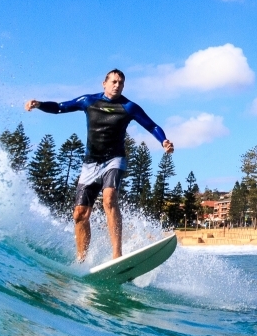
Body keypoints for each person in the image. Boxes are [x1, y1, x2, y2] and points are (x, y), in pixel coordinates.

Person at [25, 69, 173, 262]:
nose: (117, 85)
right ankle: (81, 260)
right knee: (80, 214)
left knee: (109, 197)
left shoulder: (129, 107)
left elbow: (151, 126)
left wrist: (163, 141)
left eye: (120, 82)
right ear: (104, 83)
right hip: (90, 164)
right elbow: (61, 106)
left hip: (115, 160)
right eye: (113, 81)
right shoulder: (89, 101)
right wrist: (39, 105)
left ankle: (117, 254)